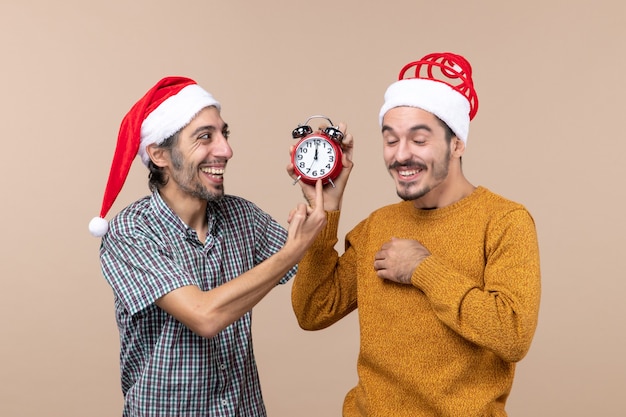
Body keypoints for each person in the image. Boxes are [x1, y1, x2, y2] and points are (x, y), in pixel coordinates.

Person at [287, 52, 541, 417]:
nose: (401, 155)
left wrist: (423, 269)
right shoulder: (378, 225)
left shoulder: (505, 221)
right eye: (391, 140)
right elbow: (313, 311)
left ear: (457, 144)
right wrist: (324, 209)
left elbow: (512, 334)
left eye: (419, 140)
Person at [88, 76, 326, 416]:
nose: (226, 150)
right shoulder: (131, 231)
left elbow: (320, 284)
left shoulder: (243, 217)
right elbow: (204, 316)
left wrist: (326, 196)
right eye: (205, 137)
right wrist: (291, 252)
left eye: (223, 134)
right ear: (159, 154)